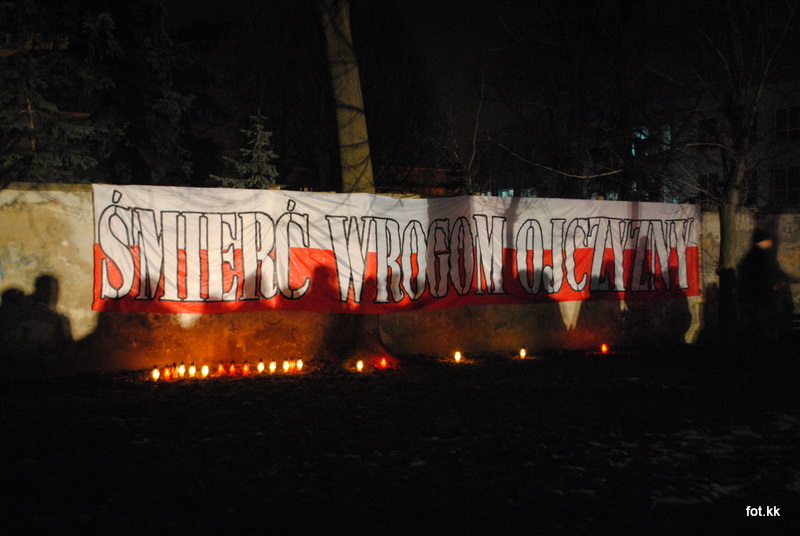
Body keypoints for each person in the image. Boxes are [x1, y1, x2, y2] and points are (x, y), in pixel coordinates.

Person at [737, 229, 794, 360]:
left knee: (758, 332)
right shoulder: (759, 257)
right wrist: (773, 287)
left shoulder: (755, 257)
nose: (771, 243)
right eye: (768, 240)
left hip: (755, 301)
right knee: (762, 332)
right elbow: (758, 280)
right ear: (763, 241)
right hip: (760, 302)